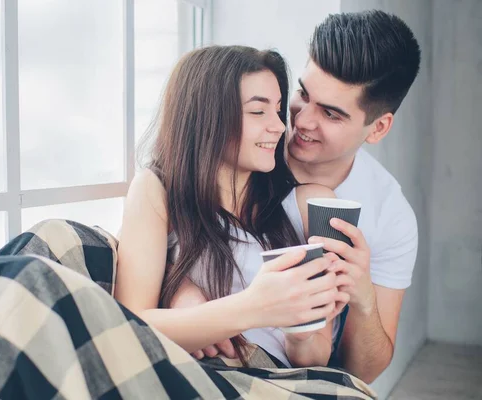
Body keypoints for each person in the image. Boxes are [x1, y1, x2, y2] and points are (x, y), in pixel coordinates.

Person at [173, 10, 422, 383]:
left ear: (378, 128)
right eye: (304, 94)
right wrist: (183, 289)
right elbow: (176, 219)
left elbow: (360, 373)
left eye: (331, 114)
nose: (301, 121)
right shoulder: (241, 145)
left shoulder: (389, 216)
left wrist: (363, 299)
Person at [115, 45, 352, 368]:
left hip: (276, 380)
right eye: (258, 112)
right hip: (200, 376)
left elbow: (317, 357)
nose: (280, 127)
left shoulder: (315, 205)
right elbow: (130, 326)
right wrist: (253, 307)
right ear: (206, 118)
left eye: (278, 110)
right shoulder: (156, 191)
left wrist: (301, 334)